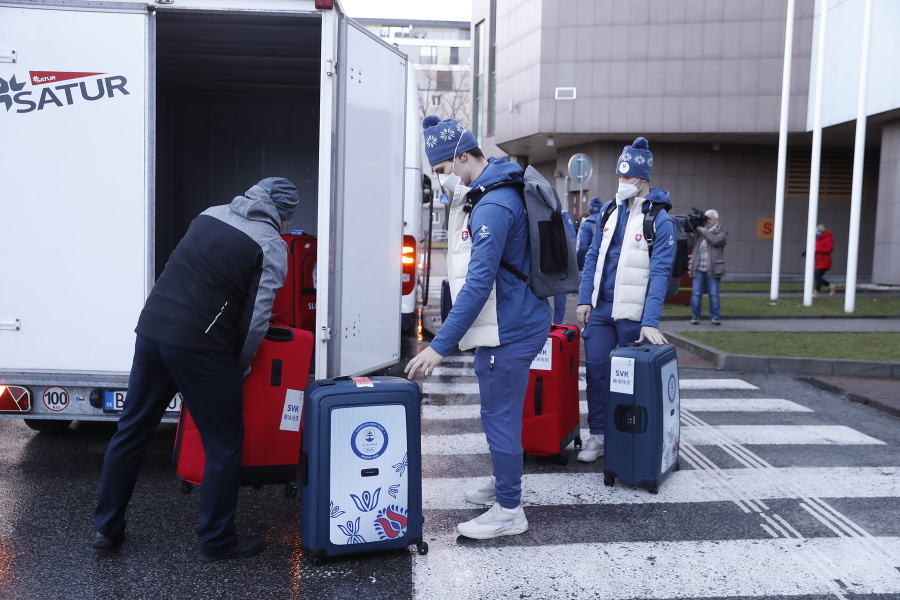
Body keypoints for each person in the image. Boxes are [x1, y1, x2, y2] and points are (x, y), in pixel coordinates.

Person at [93, 177, 299, 561]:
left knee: (131, 431)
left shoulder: (210, 214)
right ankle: (217, 541)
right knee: (223, 444)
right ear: (283, 216)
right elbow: (256, 318)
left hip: (152, 329)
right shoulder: (270, 244)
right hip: (202, 347)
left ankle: (107, 529)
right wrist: (238, 366)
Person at [405, 115, 551, 539]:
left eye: (442, 170)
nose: (441, 179)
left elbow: (477, 284)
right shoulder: (494, 190)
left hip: (510, 328)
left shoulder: (492, 204)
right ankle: (503, 482)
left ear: (463, 156)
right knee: (502, 416)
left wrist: (439, 346)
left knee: (499, 417)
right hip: (513, 320)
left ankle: (509, 509)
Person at [574, 137, 675, 463]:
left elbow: (660, 273)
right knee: (597, 373)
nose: (622, 183)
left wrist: (650, 322)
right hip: (601, 310)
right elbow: (592, 257)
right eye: (619, 177)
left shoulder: (659, 219)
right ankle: (599, 435)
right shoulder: (608, 212)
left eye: (628, 178)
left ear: (643, 179)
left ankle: (628, 436)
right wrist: (584, 298)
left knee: (630, 381)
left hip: (631, 314)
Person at [688, 209, 728, 325]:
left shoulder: (721, 231)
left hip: (713, 269)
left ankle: (715, 317)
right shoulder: (700, 232)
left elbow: (715, 241)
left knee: (713, 294)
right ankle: (695, 315)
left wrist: (701, 230)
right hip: (698, 267)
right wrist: (690, 230)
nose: (707, 221)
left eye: (709, 218)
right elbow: (689, 243)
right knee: (696, 293)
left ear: (717, 219)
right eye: (706, 219)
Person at [552, 209, 578, 324]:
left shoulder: (562, 214)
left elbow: (572, 239)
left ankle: (557, 327)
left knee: (559, 303)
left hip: (559, 265)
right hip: (543, 264)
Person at [576, 197, 604, 270]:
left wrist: (577, 263)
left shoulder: (586, 225)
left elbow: (583, 247)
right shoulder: (607, 222)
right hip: (603, 262)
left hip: (588, 263)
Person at [814, 223, 837, 297]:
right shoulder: (817, 239)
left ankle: (816, 292)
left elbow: (829, 249)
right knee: (817, 277)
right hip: (819, 261)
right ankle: (830, 286)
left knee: (817, 277)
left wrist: (817, 250)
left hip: (824, 260)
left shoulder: (828, 238)